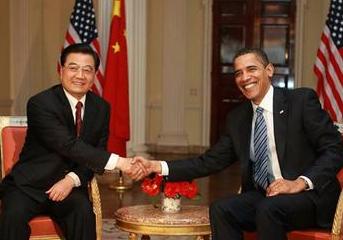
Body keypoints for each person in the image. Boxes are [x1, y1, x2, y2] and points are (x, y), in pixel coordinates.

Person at [134, 48, 343, 240]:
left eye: (251, 69)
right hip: (265, 197)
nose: (244, 78)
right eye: (238, 73)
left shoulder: (301, 101)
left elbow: (335, 150)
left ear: (269, 70)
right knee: (221, 209)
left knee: (269, 209)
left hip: (309, 196)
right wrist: (157, 166)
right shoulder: (238, 118)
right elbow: (208, 161)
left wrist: (299, 182)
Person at [0, 43, 145, 240]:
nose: (80, 75)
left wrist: (71, 180)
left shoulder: (101, 108)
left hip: (69, 186)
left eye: (87, 70)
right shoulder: (41, 103)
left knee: (83, 212)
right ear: (60, 70)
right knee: (12, 218)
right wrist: (121, 162)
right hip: (28, 186)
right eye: (73, 68)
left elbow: (95, 153)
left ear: (94, 75)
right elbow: (68, 145)